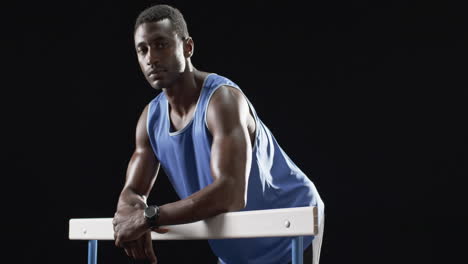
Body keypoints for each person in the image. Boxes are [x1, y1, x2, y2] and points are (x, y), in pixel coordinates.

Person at [112, 4, 325, 264]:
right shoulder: (150, 118)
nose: (151, 58)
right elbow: (132, 191)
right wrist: (129, 214)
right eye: (142, 49)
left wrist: (148, 218)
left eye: (160, 45)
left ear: (187, 47)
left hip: (289, 223)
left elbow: (231, 193)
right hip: (236, 242)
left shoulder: (222, 101)